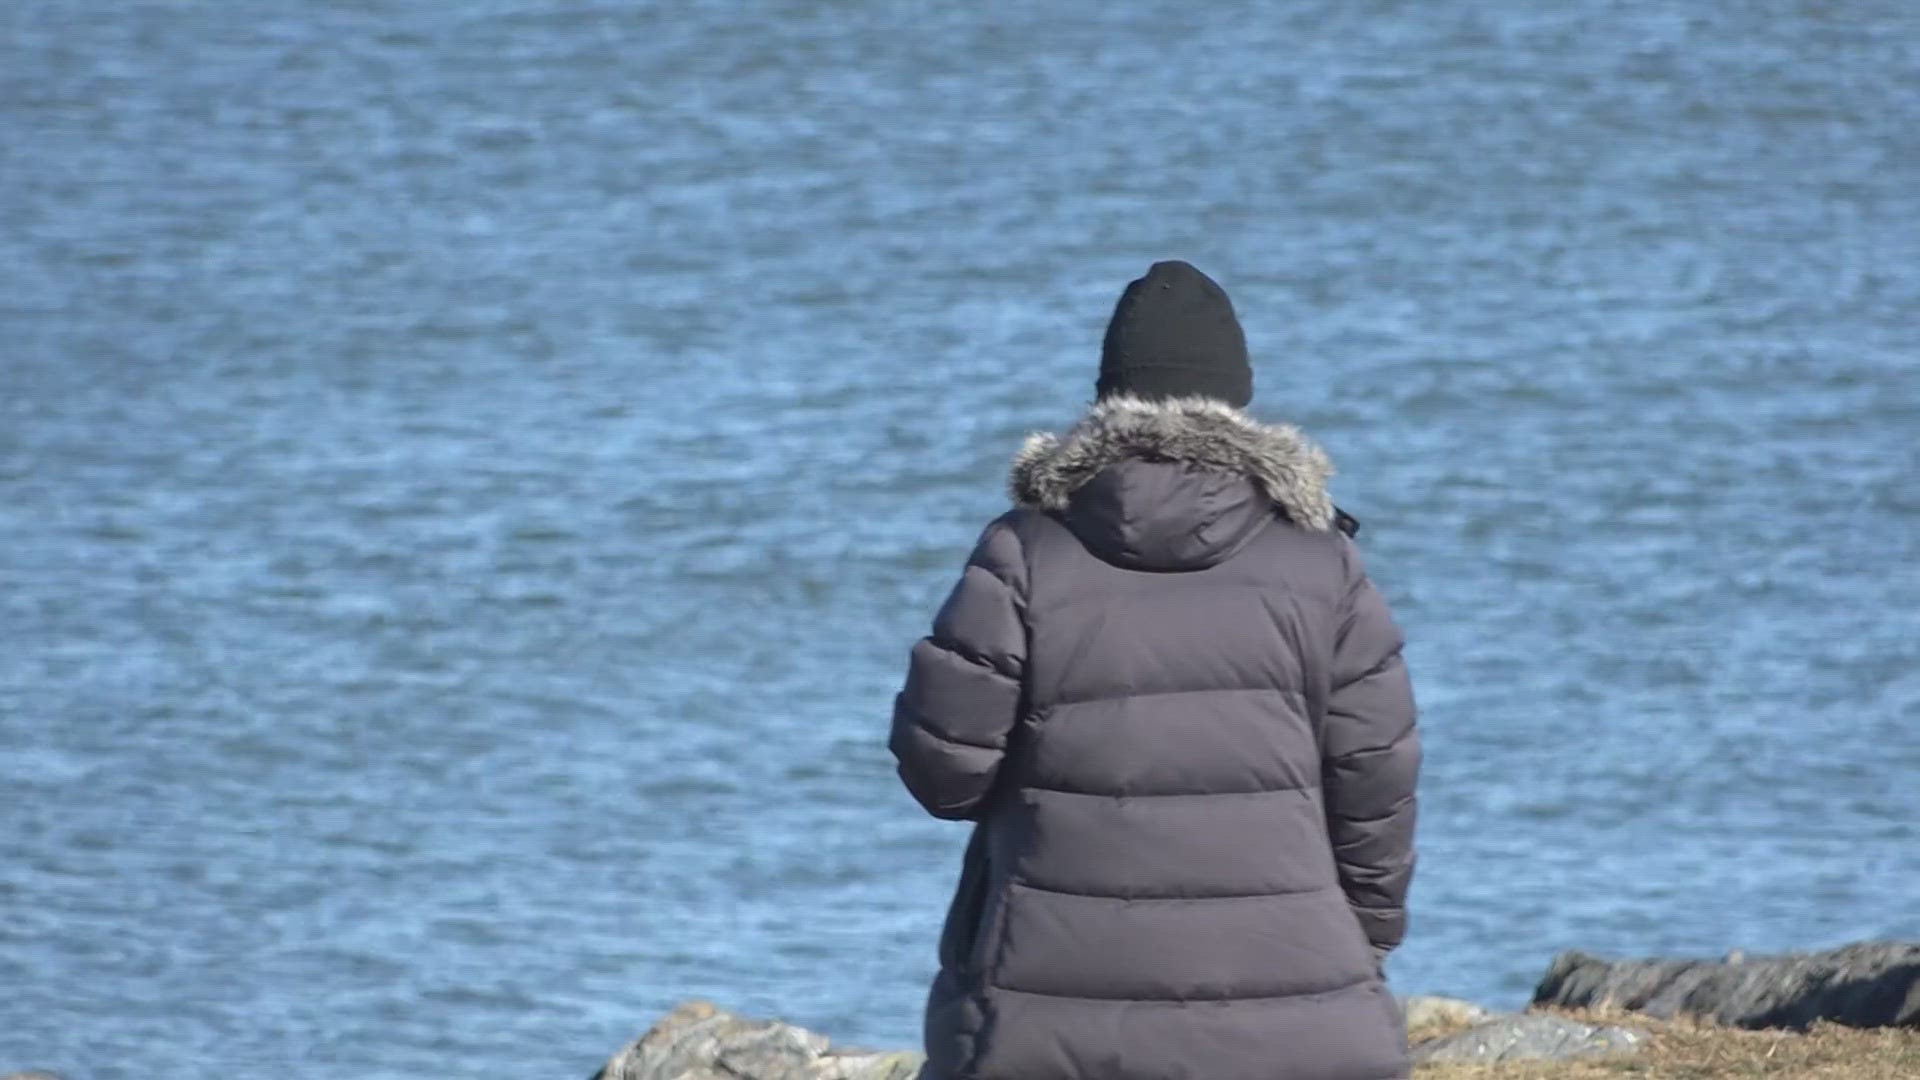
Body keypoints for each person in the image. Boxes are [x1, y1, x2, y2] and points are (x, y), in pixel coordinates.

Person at [889, 261, 1421, 1080]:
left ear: (1110, 397)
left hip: (1041, 1016)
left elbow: (944, 775)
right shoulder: (1324, 565)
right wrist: (1364, 940)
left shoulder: (1023, 551)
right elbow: (1376, 782)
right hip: (1289, 1013)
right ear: (1236, 398)